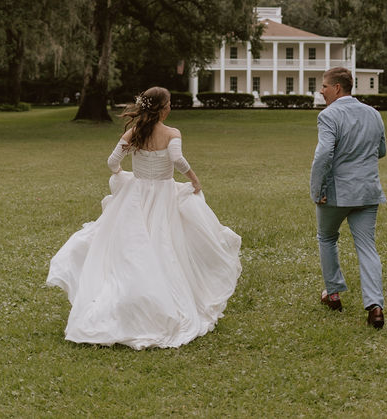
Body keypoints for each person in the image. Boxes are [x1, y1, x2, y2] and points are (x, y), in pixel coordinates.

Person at [46, 86, 242, 349]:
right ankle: (158, 301)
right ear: (162, 108)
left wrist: (118, 173)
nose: (171, 107)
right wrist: (194, 180)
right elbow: (177, 158)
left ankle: (128, 299)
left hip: (136, 195)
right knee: (165, 245)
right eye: (169, 103)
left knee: (131, 248)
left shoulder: (134, 132)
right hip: (162, 195)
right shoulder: (172, 133)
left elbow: (112, 161)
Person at [310, 67, 387, 329]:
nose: (321, 91)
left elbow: (323, 156)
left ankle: (333, 294)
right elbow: (382, 150)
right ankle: (375, 306)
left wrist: (317, 190)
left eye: (324, 86)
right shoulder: (374, 114)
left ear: (337, 88)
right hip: (367, 191)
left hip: (336, 194)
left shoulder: (328, 115)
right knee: (367, 246)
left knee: (327, 238)